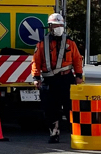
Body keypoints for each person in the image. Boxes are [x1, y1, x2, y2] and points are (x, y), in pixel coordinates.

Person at [31, 13, 83, 144]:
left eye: (60, 25)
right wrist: (36, 77)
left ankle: (76, 134)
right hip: (49, 80)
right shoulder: (42, 44)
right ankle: (54, 132)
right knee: (49, 108)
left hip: (66, 79)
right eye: (55, 25)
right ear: (50, 27)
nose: (58, 28)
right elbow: (35, 61)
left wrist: (79, 76)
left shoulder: (70, 43)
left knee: (70, 108)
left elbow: (77, 59)